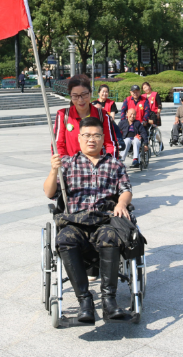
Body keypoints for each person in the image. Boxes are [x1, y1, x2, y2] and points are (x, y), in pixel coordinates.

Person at [44, 116, 132, 322]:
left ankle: (109, 301)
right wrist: (53, 170)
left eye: (96, 135)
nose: (91, 139)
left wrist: (121, 203)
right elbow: (49, 193)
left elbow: (126, 190)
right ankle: (84, 301)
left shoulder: (115, 164)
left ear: (103, 138)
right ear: (79, 138)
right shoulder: (67, 163)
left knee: (111, 237)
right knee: (64, 239)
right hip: (76, 221)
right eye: (87, 135)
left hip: (104, 220)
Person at [54, 75, 117, 157]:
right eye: (75, 96)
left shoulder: (102, 115)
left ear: (90, 93)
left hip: (97, 164)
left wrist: (110, 162)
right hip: (71, 164)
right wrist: (64, 162)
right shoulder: (63, 115)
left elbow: (111, 144)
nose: (80, 100)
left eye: (84, 94)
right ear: (70, 96)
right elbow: (58, 144)